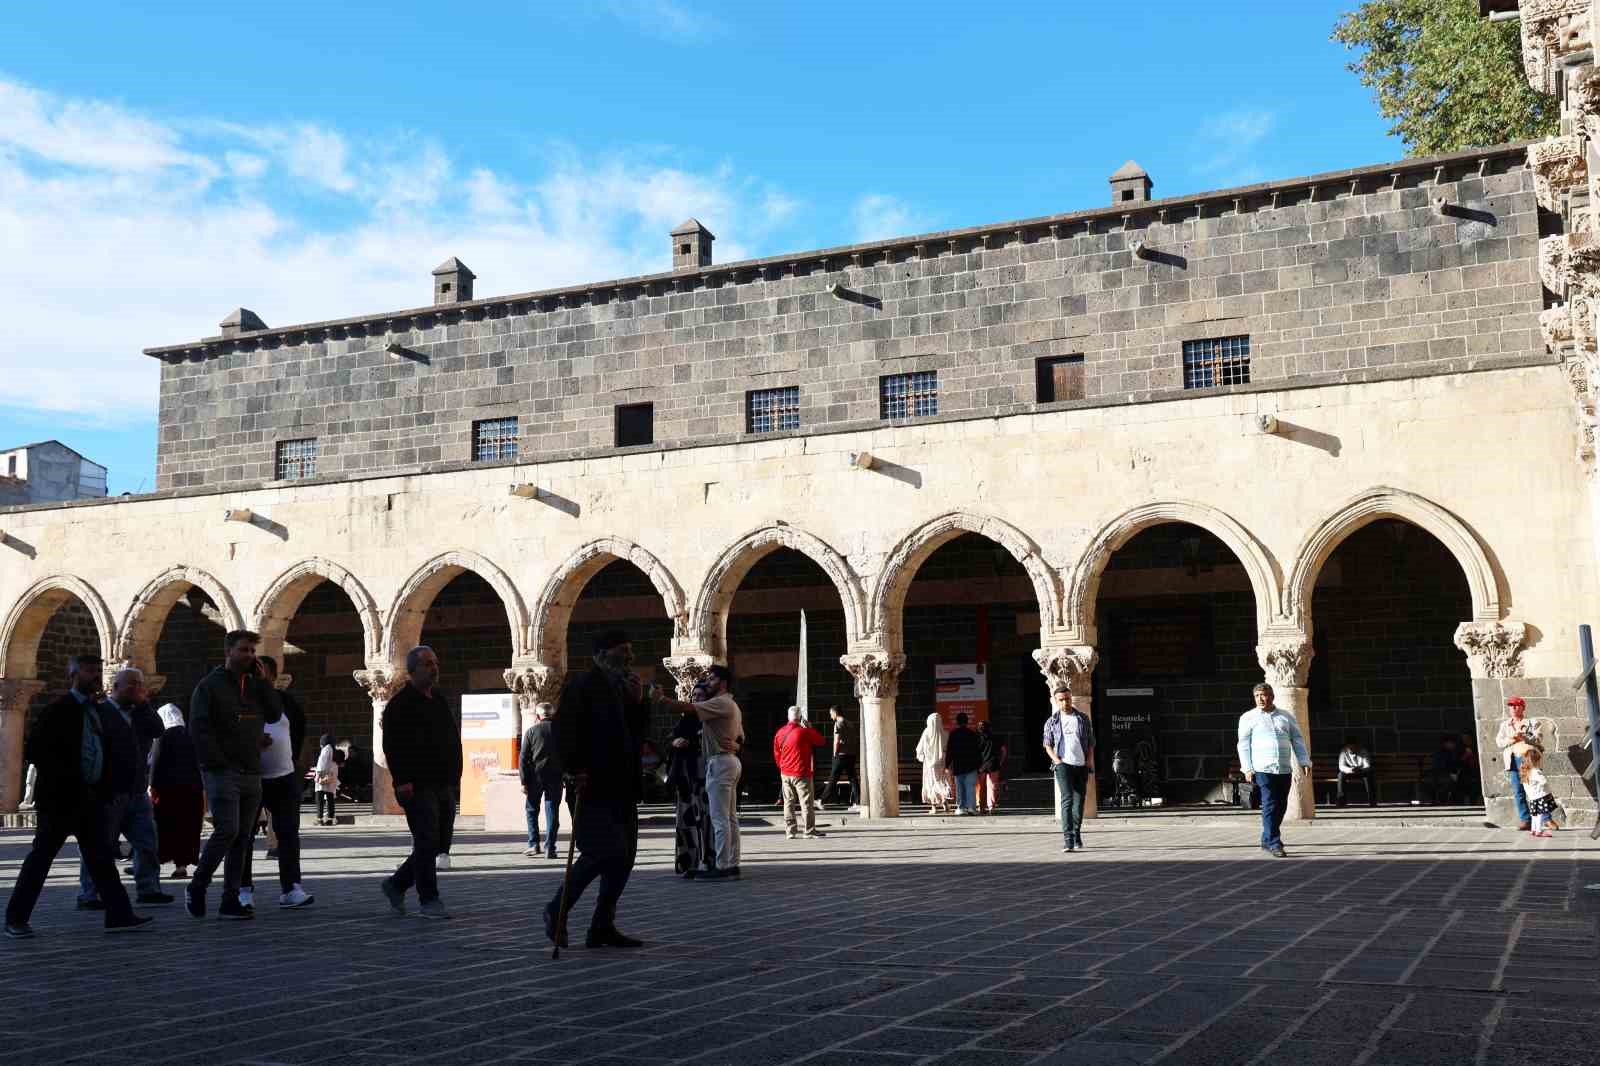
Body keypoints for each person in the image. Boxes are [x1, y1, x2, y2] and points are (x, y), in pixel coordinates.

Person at [4, 653, 152, 938]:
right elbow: (36, 750)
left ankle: (119, 914)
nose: (95, 675)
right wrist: (65, 777)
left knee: (100, 858)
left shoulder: (99, 711)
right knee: (41, 858)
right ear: (73, 675)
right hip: (61, 800)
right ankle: (16, 918)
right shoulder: (59, 709)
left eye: (98, 670)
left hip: (90, 799)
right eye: (88, 671)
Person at [543, 630, 653, 948]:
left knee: (625, 857)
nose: (630, 657)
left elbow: (635, 735)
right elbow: (563, 733)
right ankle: (556, 909)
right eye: (623, 650)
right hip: (591, 785)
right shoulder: (581, 687)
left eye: (631, 650)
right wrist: (573, 770)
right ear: (602, 655)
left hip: (623, 786)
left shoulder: (623, 688)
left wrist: (638, 703)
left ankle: (602, 925)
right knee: (603, 851)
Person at [187, 629, 278, 921]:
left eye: (252, 651)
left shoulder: (255, 686)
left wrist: (264, 683)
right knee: (227, 830)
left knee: (243, 838)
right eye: (244, 650)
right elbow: (199, 729)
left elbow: (275, 714)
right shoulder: (209, 686)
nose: (249, 656)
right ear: (228, 652)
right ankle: (198, 884)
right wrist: (217, 762)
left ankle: (230, 900)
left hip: (252, 770)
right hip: (223, 771)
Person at [379, 645, 462, 920]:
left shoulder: (438, 699)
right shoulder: (399, 705)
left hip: (443, 783)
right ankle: (429, 900)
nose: (434, 667)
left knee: (438, 843)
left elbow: (451, 738)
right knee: (426, 840)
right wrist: (402, 781)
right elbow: (393, 746)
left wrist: (455, 776)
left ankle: (396, 884)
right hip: (417, 784)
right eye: (427, 663)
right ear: (412, 669)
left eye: (435, 662)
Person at [78, 667, 171, 908]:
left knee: (147, 843)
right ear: (115, 687)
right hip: (108, 792)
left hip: (137, 791)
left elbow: (158, 730)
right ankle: (90, 894)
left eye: (140, 684)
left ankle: (148, 889)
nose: (137, 688)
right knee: (99, 844)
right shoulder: (101, 711)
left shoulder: (142, 713)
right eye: (131, 684)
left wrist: (144, 705)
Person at [238, 655, 313, 910]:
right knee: (244, 834)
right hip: (249, 775)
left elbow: (300, 727)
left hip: (283, 776)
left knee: (288, 832)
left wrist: (294, 763)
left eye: (264, 674)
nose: (260, 679)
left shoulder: (285, 701)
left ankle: (291, 887)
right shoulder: (241, 700)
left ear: (272, 676)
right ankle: (243, 888)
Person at [658, 664, 745, 881]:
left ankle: (723, 866)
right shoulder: (731, 705)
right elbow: (739, 738)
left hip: (720, 763)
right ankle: (732, 863)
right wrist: (734, 745)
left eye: (712, 679)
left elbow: (687, 708)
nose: (708, 683)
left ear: (723, 683)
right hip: (729, 761)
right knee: (730, 818)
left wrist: (660, 699)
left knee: (719, 818)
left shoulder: (720, 702)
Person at [1236, 682, 1311, 858]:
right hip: (1262, 768)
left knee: (1281, 805)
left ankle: (1266, 838)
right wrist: (1247, 768)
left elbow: (1297, 739)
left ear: (1272, 696)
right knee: (1270, 803)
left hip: (1284, 768)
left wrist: (1304, 761)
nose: (1261, 699)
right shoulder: (1248, 717)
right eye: (1257, 696)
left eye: (1264, 695)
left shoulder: (1285, 716)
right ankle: (1274, 842)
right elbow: (1243, 744)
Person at [150, 703, 203, 879]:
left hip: (168, 792)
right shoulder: (192, 736)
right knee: (186, 828)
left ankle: (151, 863)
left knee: (164, 827)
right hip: (192, 791)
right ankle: (181, 866)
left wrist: (152, 785)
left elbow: (156, 763)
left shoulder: (162, 736)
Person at [1043, 686, 1094, 852]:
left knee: (1079, 803)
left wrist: (1089, 761)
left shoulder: (1083, 718)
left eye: (1067, 698)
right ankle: (1068, 838)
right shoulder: (1052, 721)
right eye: (1061, 699)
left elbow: (1091, 742)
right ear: (1056, 701)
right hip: (1063, 765)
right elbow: (1047, 744)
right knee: (1067, 800)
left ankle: (1077, 832)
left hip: (1081, 765)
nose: (1065, 702)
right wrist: (1057, 761)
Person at [667, 704, 712, 878]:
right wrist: (674, 742)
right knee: (685, 821)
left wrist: (692, 742)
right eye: (695, 697)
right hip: (684, 779)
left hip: (703, 778)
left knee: (705, 821)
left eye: (702, 697)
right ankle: (687, 862)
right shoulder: (684, 721)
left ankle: (707, 861)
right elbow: (669, 740)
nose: (697, 701)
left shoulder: (710, 721)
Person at [773, 706, 825, 839]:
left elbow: (777, 753)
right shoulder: (804, 732)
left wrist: (782, 767)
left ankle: (790, 831)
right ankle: (809, 830)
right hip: (801, 773)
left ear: (788, 717)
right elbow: (821, 741)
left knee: (788, 802)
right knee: (806, 802)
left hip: (785, 773)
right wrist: (809, 728)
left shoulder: (780, 732)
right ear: (800, 718)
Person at [1496, 696, 1546, 831]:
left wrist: (1524, 737)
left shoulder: (1532, 722)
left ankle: (1546, 818)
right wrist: (1513, 738)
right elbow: (1499, 742)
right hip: (1512, 759)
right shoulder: (1505, 725)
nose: (1513, 708)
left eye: (1517, 705)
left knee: (1535, 789)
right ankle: (1525, 820)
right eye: (1511, 705)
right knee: (1518, 791)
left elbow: (1538, 738)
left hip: (1527, 758)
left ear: (1523, 707)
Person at [519, 701, 562, 859]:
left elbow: (523, 758)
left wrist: (523, 781)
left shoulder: (531, 731)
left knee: (531, 810)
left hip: (535, 777)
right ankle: (550, 847)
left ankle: (533, 844)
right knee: (552, 813)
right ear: (553, 715)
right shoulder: (561, 731)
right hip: (555, 777)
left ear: (538, 716)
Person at [817, 706, 859, 810]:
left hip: (841, 755)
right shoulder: (850, 724)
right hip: (851, 754)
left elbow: (837, 740)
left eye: (831, 714)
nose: (831, 717)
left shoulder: (838, 723)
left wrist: (835, 753)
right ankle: (858, 803)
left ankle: (821, 800)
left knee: (833, 778)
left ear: (835, 713)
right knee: (853, 779)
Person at [944, 712, 982, 815]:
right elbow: (977, 751)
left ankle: (961, 808)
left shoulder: (953, 734)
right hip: (971, 765)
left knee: (960, 787)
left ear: (957, 722)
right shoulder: (972, 734)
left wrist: (947, 764)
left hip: (958, 765)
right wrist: (979, 765)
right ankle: (971, 808)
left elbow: (950, 751)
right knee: (970, 787)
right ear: (967, 721)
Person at [915, 713, 952, 814]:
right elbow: (948, 749)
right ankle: (945, 803)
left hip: (929, 764)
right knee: (942, 781)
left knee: (930, 783)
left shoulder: (926, 733)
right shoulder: (945, 733)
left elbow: (919, 748)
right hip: (942, 762)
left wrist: (923, 756)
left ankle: (934, 807)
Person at [1519, 748, 1558, 836]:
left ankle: (1533, 829)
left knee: (1534, 815)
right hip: (1540, 797)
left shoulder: (1525, 772)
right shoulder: (1536, 772)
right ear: (1535, 761)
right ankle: (1539, 830)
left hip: (1532, 798)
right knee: (1540, 814)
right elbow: (1543, 781)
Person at [975, 721, 1005, 814]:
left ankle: (981, 808)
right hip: (993, 764)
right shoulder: (996, 737)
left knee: (982, 787)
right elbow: (1004, 750)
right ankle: (991, 807)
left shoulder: (977, 738)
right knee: (992, 786)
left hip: (981, 766)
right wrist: (1001, 761)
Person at [1336, 737, 1376, 807]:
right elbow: (1341, 766)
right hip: (1350, 771)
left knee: (1369, 775)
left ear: (1357, 746)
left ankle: (1372, 801)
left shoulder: (1363, 751)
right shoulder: (1343, 752)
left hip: (1361, 771)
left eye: (1353, 747)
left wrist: (1360, 769)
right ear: (1347, 747)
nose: (1352, 749)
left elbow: (1367, 765)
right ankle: (1341, 801)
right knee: (1340, 775)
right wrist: (1350, 770)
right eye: (1350, 747)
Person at [1425, 734, 1462, 806]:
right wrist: (1452, 773)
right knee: (1447, 783)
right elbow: (1443, 766)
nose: (1453, 745)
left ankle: (1444, 800)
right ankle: (1442, 800)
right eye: (1452, 743)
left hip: (1441, 775)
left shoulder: (1451, 752)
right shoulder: (1443, 753)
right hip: (1440, 775)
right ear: (1446, 743)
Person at [313, 733, 340, 826]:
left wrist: (318, 775)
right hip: (332, 776)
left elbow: (322, 763)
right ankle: (330, 819)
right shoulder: (333, 749)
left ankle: (319, 818)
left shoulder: (326, 749)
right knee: (330, 797)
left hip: (324, 775)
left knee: (319, 797)